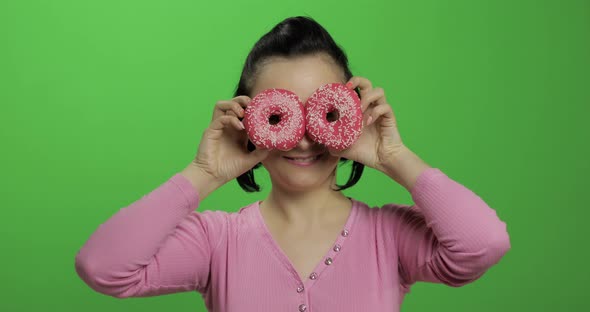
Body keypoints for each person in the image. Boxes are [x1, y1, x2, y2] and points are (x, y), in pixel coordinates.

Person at [75, 16, 511, 312]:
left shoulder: (390, 236)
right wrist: (203, 173)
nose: (302, 139)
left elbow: (483, 244)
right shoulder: (216, 241)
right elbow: (102, 267)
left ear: (353, 115)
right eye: (282, 115)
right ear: (248, 122)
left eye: (321, 114)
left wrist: (395, 158)